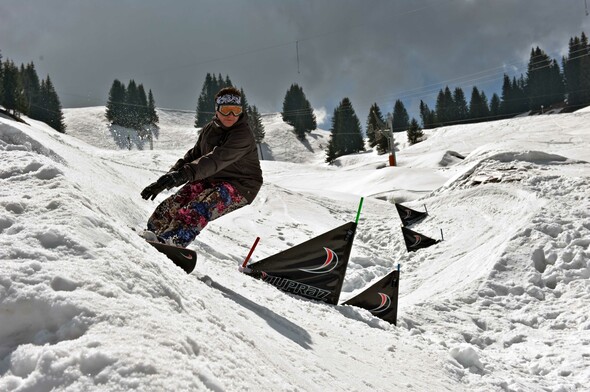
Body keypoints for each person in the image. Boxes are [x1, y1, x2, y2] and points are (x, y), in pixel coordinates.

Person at [140, 87, 263, 247]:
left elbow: (214, 160)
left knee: (202, 205)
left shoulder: (242, 134)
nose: (231, 116)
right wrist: (168, 178)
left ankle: (174, 241)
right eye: (226, 110)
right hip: (212, 178)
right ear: (217, 110)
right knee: (178, 200)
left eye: (236, 111)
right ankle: (154, 232)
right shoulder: (210, 129)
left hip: (241, 185)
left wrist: (182, 176)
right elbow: (194, 155)